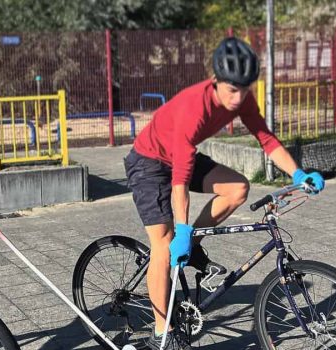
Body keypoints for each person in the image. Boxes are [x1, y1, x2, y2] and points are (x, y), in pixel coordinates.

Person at [124, 37, 325, 349]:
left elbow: (266, 139)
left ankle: (191, 246)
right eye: (233, 89)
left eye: (245, 89)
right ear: (215, 81)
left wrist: (298, 174)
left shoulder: (242, 98)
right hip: (150, 163)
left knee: (237, 188)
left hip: (179, 156)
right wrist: (181, 228)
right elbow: (179, 182)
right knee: (163, 248)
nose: (238, 97)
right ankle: (160, 335)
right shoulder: (195, 108)